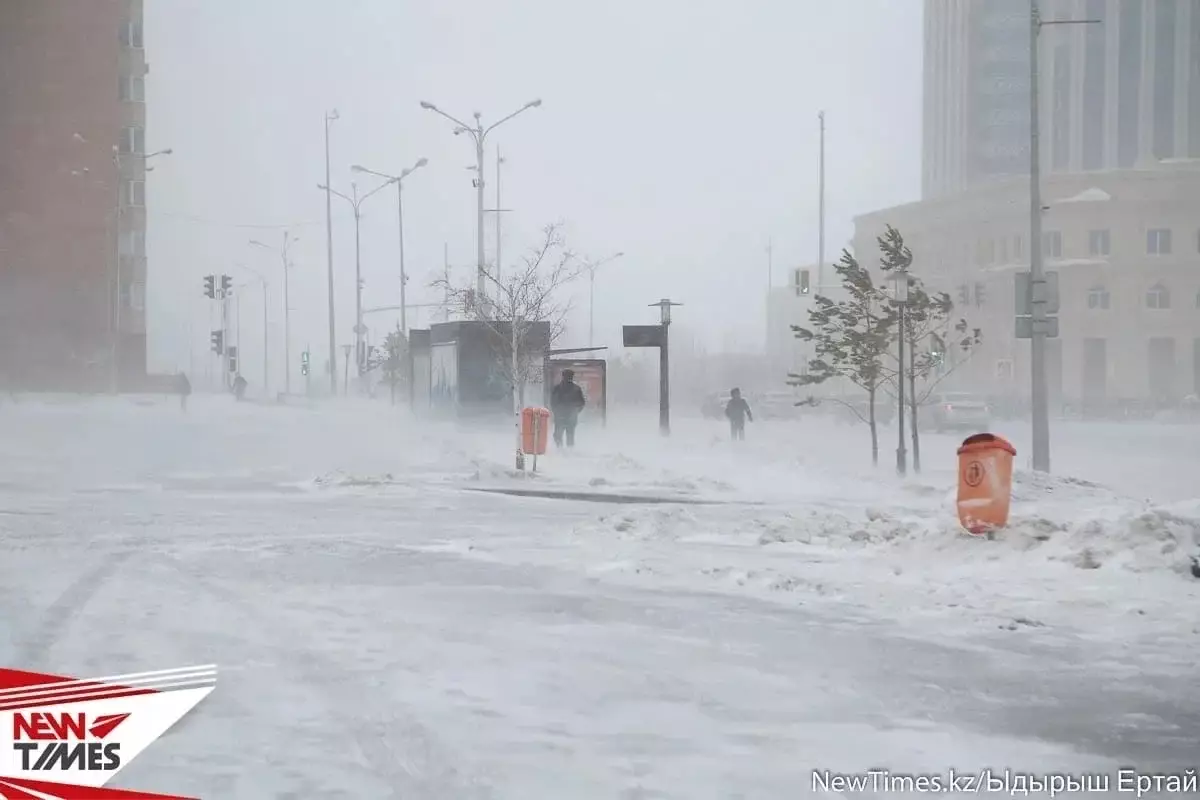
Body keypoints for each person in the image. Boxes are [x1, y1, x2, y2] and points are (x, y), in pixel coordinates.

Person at [550, 369, 586, 448]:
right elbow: (582, 403)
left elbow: (552, 403)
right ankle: (568, 451)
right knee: (569, 435)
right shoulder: (576, 389)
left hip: (561, 416)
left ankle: (560, 450)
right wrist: (576, 411)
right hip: (570, 416)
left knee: (559, 435)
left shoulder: (557, 388)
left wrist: (556, 412)